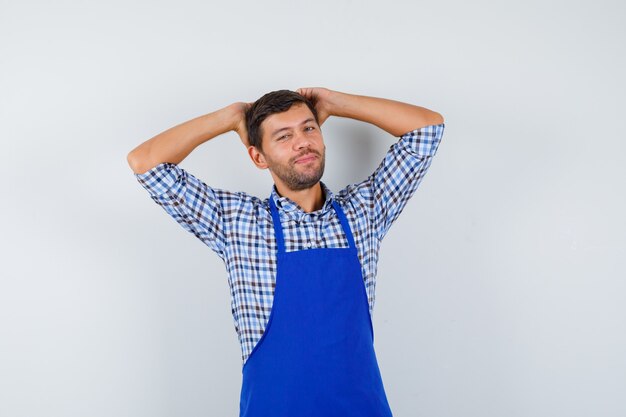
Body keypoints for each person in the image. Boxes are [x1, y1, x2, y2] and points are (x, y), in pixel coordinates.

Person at [127, 87, 445, 417]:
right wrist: (231, 117)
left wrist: (335, 103)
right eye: (283, 136)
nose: (302, 142)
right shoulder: (237, 222)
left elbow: (427, 129)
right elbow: (145, 162)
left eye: (309, 128)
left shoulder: (364, 210)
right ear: (258, 157)